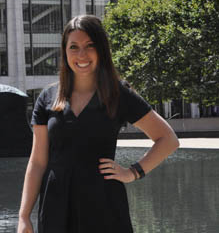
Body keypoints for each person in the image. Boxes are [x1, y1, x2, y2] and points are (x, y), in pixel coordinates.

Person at [17, 15, 179, 233]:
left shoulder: (119, 94)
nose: (81, 54)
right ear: (65, 52)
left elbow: (168, 139)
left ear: (101, 49)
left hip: (104, 204)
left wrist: (133, 172)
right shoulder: (48, 98)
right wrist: (24, 216)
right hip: (56, 205)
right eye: (74, 47)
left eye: (90, 45)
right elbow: (37, 162)